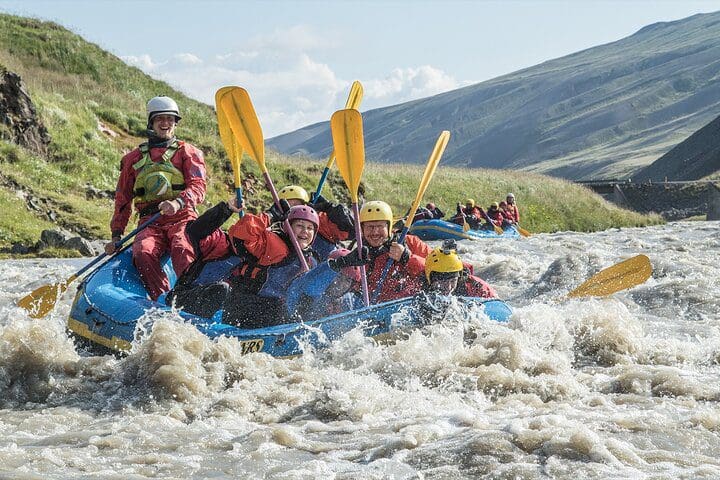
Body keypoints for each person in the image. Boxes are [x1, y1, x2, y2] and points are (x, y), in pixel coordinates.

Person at [105, 95, 206, 300]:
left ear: (175, 122)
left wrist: (178, 202)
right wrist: (117, 234)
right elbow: (123, 199)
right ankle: (162, 299)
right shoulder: (132, 159)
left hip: (182, 216)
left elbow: (198, 187)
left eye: (170, 119)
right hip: (150, 222)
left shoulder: (188, 152)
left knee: (181, 246)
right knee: (142, 252)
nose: (165, 123)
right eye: (160, 119)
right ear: (151, 122)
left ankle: (192, 296)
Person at [222, 202, 321, 327]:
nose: (305, 231)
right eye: (300, 225)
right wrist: (270, 215)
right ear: (288, 227)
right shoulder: (272, 245)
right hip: (244, 304)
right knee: (277, 310)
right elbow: (241, 236)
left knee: (291, 314)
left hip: (274, 311)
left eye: (310, 228)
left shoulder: (310, 261)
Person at [357, 200, 431, 303]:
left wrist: (407, 258)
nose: (375, 232)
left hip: (413, 304)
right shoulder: (359, 254)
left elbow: (437, 268)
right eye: (370, 227)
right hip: (379, 310)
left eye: (380, 226)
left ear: (389, 226)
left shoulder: (410, 242)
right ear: (362, 229)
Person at [272, 185, 354, 260]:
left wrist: (331, 209)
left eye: (297, 205)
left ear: (306, 206)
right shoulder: (273, 229)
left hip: (325, 263)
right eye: (286, 206)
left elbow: (353, 232)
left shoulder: (320, 221)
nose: (291, 210)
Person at [285, 247, 367, 321]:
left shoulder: (350, 300)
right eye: (338, 276)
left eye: (347, 280)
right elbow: (311, 285)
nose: (340, 284)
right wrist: (337, 264)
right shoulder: (304, 287)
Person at [423, 241, 496, 298]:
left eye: (453, 281)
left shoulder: (475, 286)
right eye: (443, 281)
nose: (448, 287)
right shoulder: (419, 285)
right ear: (431, 278)